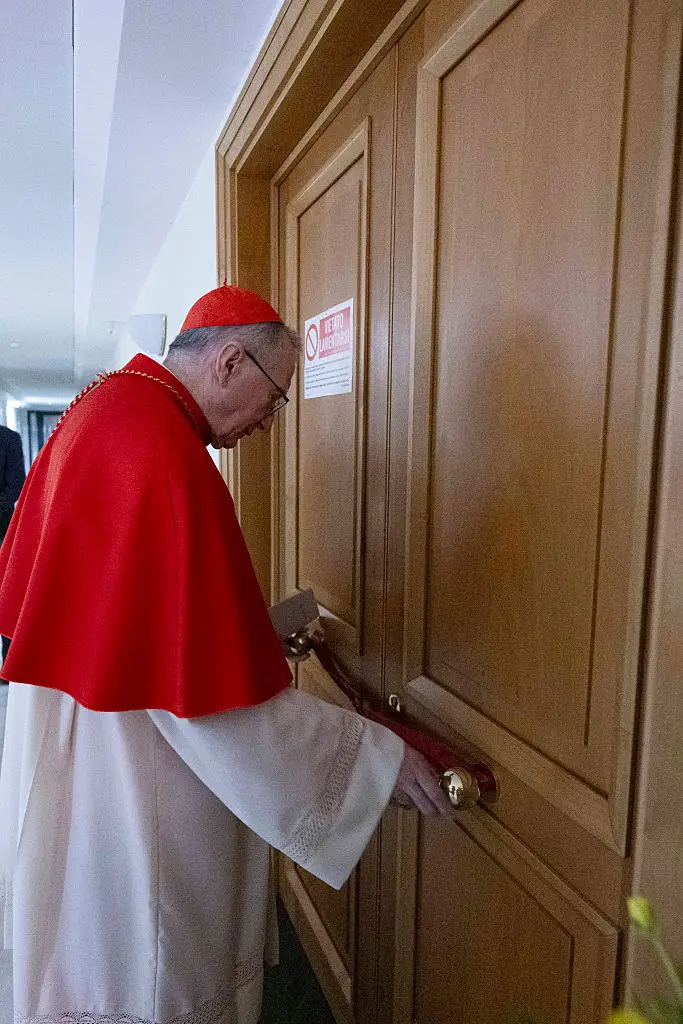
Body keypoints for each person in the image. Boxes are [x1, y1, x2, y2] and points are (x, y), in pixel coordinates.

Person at [0, 285, 450, 1024]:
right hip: (137, 776)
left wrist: (246, 634)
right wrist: (373, 761)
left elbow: (138, 629)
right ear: (231, 361)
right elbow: (208, 709)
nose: (267, 425)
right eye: (273, 402)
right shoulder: (162, 450)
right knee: (152, 970)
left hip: (92, 745)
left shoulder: (106, 411)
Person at [0, 423, 25, 668]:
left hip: (1, 530)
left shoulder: (9, 438)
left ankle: (8, 663)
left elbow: (16, 483)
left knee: (5, 595)